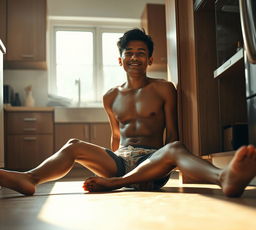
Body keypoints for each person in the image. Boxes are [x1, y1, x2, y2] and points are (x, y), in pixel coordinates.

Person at [1, 28, 256, 198]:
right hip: (120, 163)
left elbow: (173, 134)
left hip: (152, 165)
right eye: (129, 53)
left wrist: (162, 167)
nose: (135, 57)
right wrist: (111, 166)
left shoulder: (164, 89)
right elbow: (115, 139)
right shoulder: (110, 96)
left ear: (150, 60)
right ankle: (30, 178)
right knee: (73, 144)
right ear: (120, 60)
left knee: (176, 146)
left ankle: (224, 177)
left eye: (141, 53)